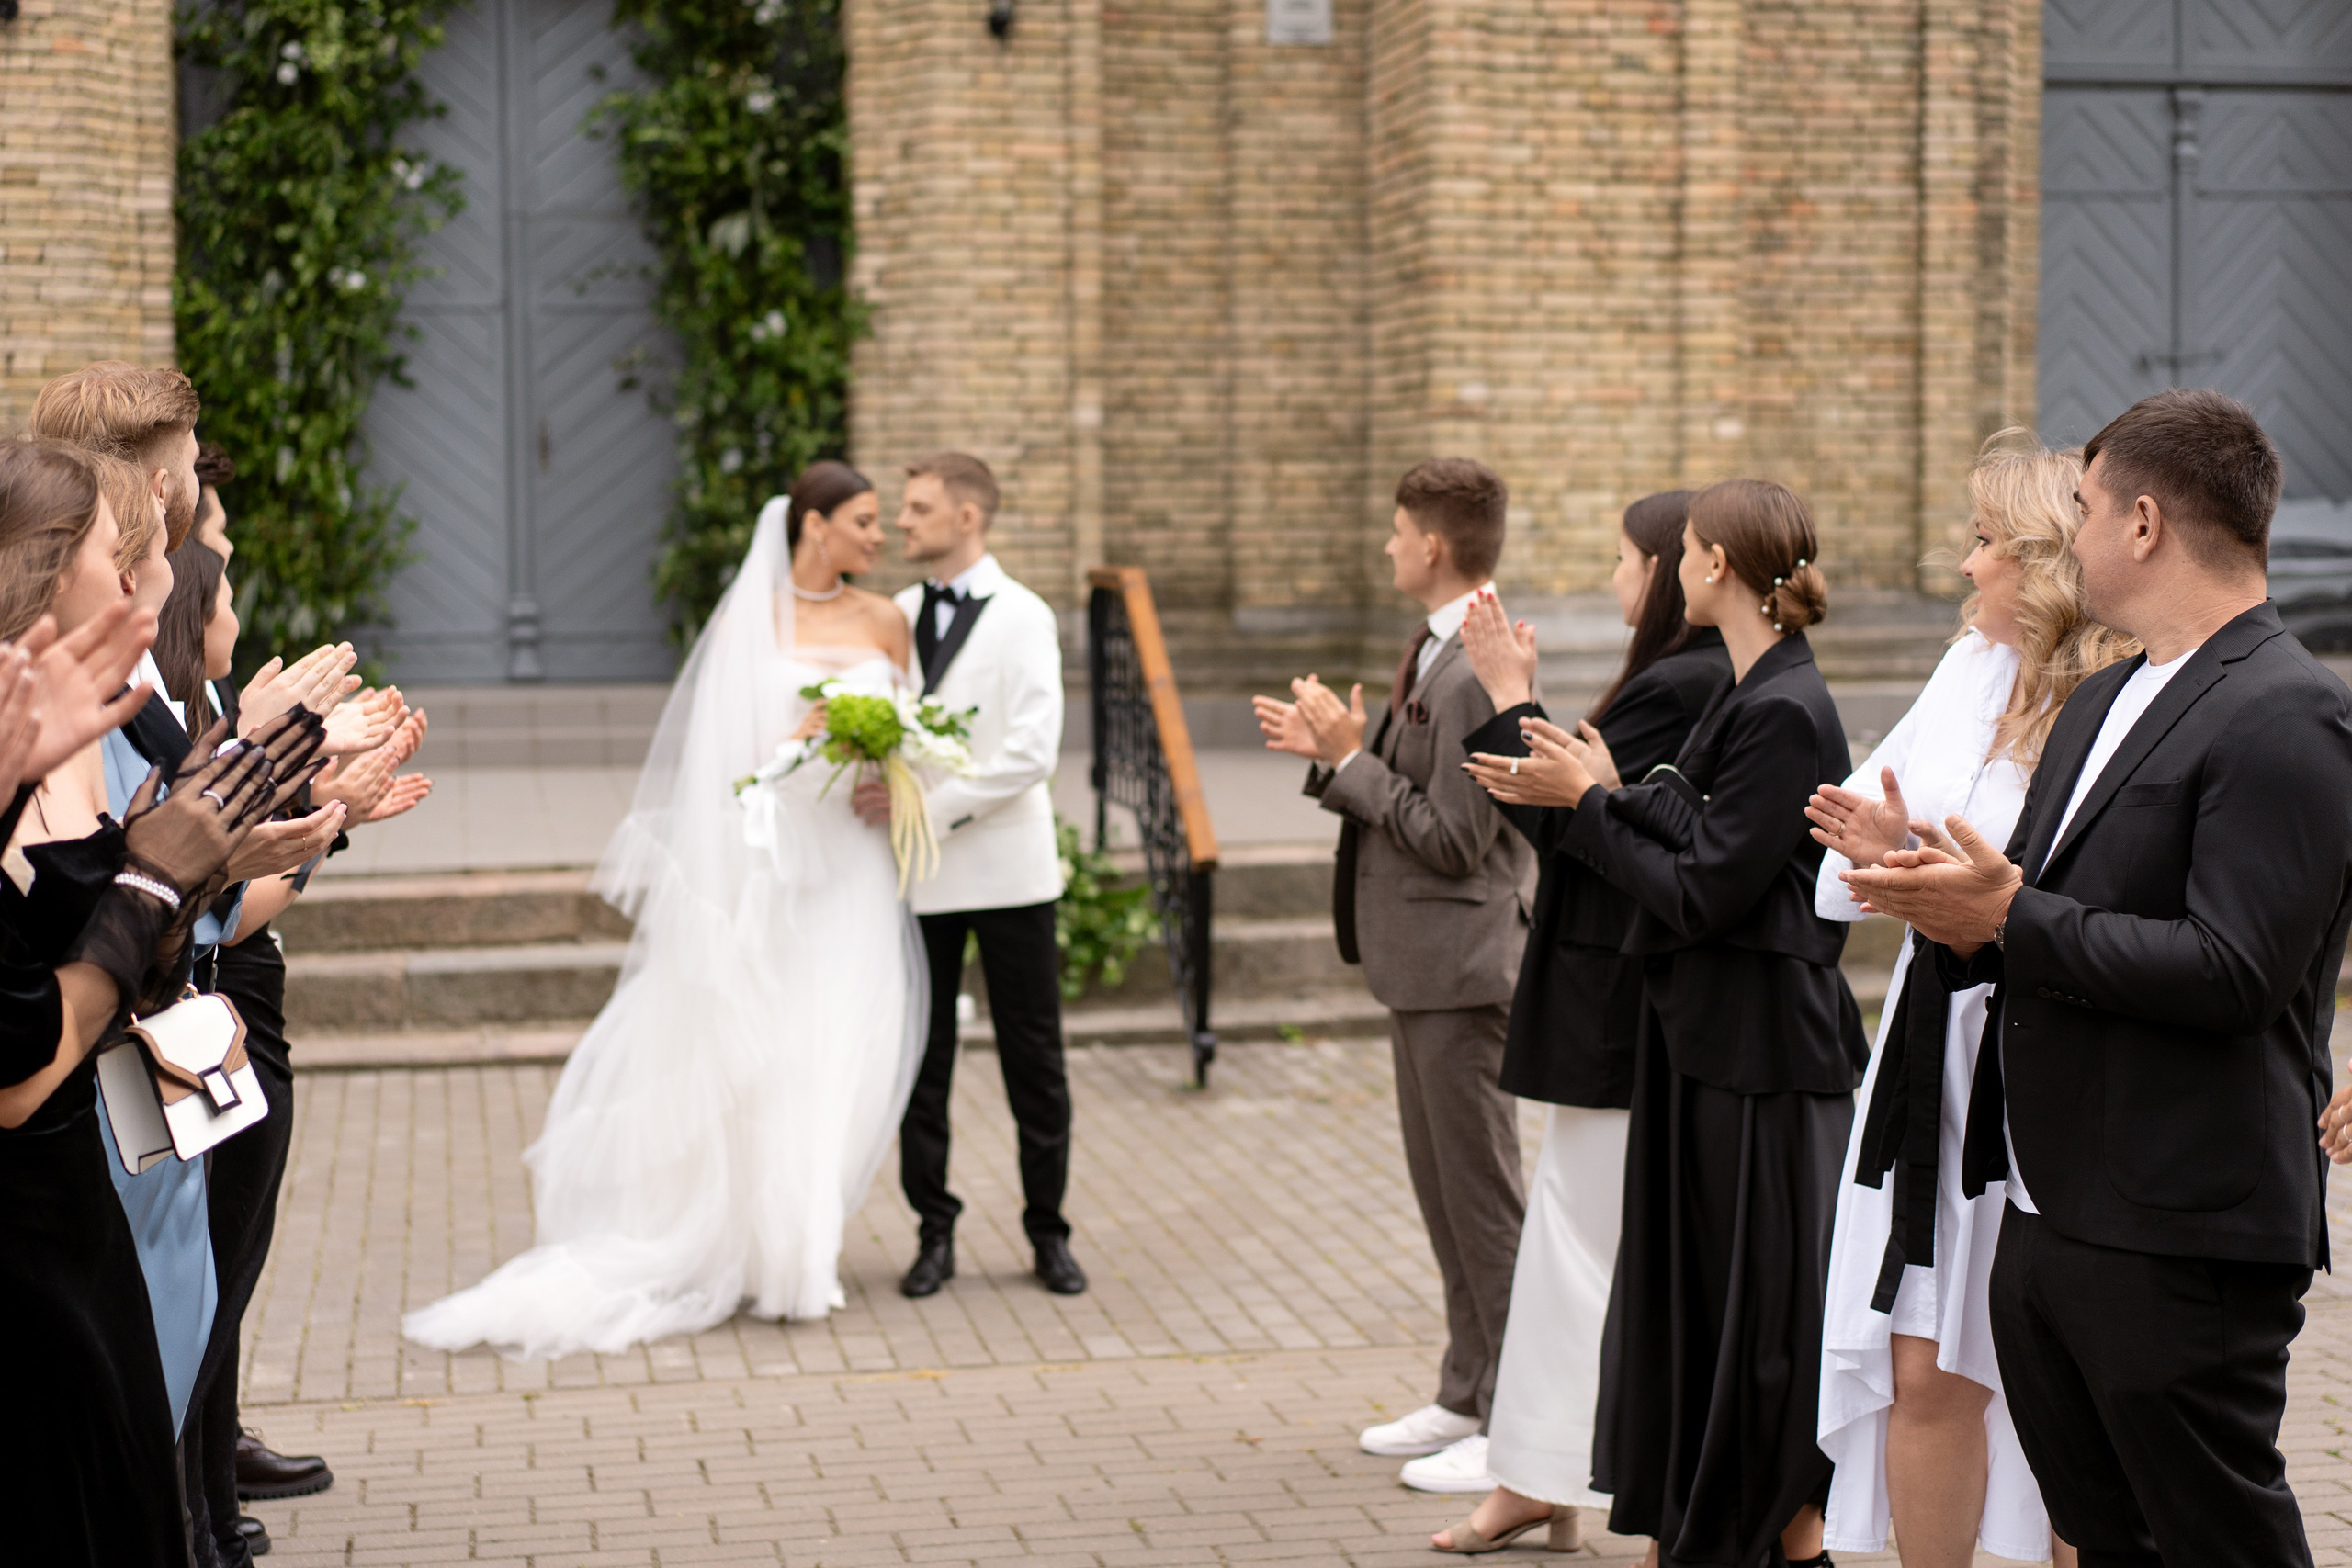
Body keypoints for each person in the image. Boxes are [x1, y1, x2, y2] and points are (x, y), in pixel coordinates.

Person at [1847, 389, 2352, 1568]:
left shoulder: (2289, 712)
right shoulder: (2100, 701)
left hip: (2182, 1226)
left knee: (2211, 1538)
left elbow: (2234, 972)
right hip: (2044, 1204)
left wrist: (2009, 914)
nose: (2063, 538)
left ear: (2140, 523)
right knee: (2102, 1537)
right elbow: (2042, 920)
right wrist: (1937, 896)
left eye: (2077, 510)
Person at [404, 459, 927, 1359]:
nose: (880, 540)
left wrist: (891, 771)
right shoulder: (747, 623)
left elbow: (913, 732)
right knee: (774, 1056)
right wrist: (795, 751)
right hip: (773, 873)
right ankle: (778, 1260)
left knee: (843, 1051)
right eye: (866, 521)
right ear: (814, 526)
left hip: (853, 871)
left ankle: (804, 1250)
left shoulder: (886, 622)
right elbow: (720, 763)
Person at [1468, 478, 1865, 1567]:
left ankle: (1766, 1536)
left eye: (1681, 547)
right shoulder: (1751, 688)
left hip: (1765, 1053)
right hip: (1712, 1043)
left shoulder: (1782, 702)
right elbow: (1698, 832)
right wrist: (1613, 790)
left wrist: (1593, 804)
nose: (1658, 566)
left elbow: (1703, 890)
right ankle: (1758, 1538)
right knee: (1712, 1312)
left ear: (1713, 567)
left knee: (1759, 1325)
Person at [0, 435, 326, 1566]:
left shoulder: (75, 725)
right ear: (47, 568)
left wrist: (253, 811)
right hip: (50, 1188)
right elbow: (24, 1061)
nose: (158, 572)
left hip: (117, 1140)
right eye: (118, 548)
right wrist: (169, 872)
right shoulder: (64, 729)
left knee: (163, 1397)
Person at [1806, 437, 2130, 1568]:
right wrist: (1895, 861)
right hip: (1932, 1056)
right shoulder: (1964, 673)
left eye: (1985, 542)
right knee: (1922, 1359)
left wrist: (1954, 887)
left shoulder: (2122, 698)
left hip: (2050, 1053)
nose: (1963, 567)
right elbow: (1831, 870)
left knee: (2065, 1366)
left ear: (2045, 559)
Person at [1421, 491, 1732, 1551]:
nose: (1613, 579)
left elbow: (1568, 825)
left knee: (1579, 1249)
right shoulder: (1686, 678)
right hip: (1624, 1006)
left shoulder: (1689, 682)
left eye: (1620, 560)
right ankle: (1544, 1477)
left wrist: (1509, 693)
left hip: (1622, 1007)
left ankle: (1556, 1479)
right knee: (1579, 1240)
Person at [1255, 457, 1535, 1478]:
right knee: (1438, 1192)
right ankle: (1465, 1394)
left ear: (1430, 544)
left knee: (1482, 1199)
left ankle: (1516, 1423)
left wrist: (1349, 761)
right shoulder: (1437, 646)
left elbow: (1460, 838)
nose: (1384, 545)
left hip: (1463, 969)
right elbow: (1403, 796)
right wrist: (1333, 755)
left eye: (1394, 529)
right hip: (1420, 968)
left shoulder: (1473, 664)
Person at [887, 452, 1086, 1299]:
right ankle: (934, 1232)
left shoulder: (1024, 614)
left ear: (967, 517)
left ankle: (1049, 1232)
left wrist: (934, 809)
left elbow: (1031, 753)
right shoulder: (894, 611)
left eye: (918, 508)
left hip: (1009, 876)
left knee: (1031, 1060)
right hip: (917, 877)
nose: (902, 522)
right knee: (920, 1064)